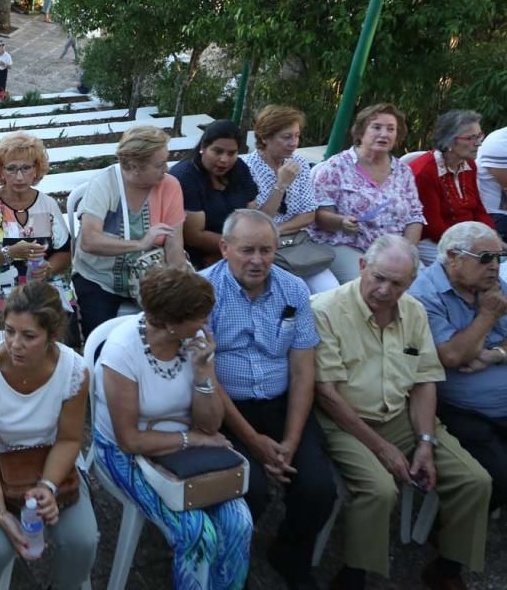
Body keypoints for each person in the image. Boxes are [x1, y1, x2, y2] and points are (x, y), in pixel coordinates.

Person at [312, 235, 492, 590]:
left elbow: (424, 381)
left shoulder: (413, 310)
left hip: (399, 415)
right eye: (378, 277)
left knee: (475, 480)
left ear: (410, 282)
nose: (384, 289)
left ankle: (447, 568)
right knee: (380, 490)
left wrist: (425, 441)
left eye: (397, 283)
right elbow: (329, 396)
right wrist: (382, 449)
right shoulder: (325, 309)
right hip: (346, 423)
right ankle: (352, 575)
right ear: (362, 266)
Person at [95, 268, 252, 590]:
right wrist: (191, 438)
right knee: (196, 532)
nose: (206, 325)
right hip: (126, 452)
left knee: (240, 523)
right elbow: (129, 440)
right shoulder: (122, 353)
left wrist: (202, 374)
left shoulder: (193, 341)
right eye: (200, 317)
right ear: (170, 323)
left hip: (187, 449)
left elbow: (211, 424)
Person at [204, 210, 336, 588]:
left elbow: (302, 370)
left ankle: (290, 553)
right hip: (228, 410)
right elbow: (206, 378)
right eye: (247, 250)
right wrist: (255, 442)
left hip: (281, 405)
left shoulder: (293, 289)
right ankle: (231, 564)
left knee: (316, 488)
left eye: (266, 250)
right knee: (250, 488)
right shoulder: (204, 293)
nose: (258, 260)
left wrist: (291, 440)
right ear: (225, 248)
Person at [0, 282, 97, 588]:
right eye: (9, 331)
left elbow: (69, 440)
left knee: (82, 541)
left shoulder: (74, 371)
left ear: (53, 335)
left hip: (50, 458)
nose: (15, 344)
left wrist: (48, 486)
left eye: (29, 336)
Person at [407, 221, 507, 514]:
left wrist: (497, 354)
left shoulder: (491, 283)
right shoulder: (424, 296)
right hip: (460, 409)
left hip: (497, 399)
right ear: (453, 256)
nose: (495, 266)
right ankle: (448, 537)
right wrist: (487, 316)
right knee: (497, 477)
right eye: (486, 258)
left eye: (499, 257)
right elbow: (451, 356)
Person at [72, 125, 188, 338]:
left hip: (150, 276)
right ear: (134, 166)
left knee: (174, 326)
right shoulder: (104, 184)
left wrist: (176, 287)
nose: (167, 169)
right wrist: (140, 244)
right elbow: (89, 240)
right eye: (160, 164)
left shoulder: (170, 185)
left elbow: (174, 245)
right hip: (100, 278)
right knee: (99, 340)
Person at [0, 132, 72, 332]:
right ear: (1, 172)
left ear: (36, 170)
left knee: (60, 331)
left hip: (41, 285)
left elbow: (63, 252)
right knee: (7, 334)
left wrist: (47, 268)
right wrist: (10, 253)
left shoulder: (45, 206)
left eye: (26, 168)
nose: (19, 176)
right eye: (11, 169)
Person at [310, 103, 425, 282]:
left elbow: (415, 217)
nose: (384, 134)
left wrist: (406, 249)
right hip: (348, 245)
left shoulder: (403, 171)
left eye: (390, 129)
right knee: (369, 284)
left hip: (392, 249)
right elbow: (320, 215)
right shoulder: (335, 167)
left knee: (422, 286)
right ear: (361, 132)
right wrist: (342, 221)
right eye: (377, 127)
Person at [240, 104, 338, 293]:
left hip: (295, 243)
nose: (294, 143)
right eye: (286, 137)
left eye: (296, 135)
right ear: (265, 138)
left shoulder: (299, 163)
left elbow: (309, 214)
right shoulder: (246, 168)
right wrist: (281, 185)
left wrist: (278, 230)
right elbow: (256, 220)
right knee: (292, 293)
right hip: (261, 247)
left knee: (330, 290)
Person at [169, 120, 258, 268]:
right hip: (198, 258)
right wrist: (237, 249)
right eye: (217, 151)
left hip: (236, 250)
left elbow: (251, 211)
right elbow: (194, 236)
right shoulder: (185, 177)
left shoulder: (240, 168)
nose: (224, 160)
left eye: (232, 153)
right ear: (203, 147)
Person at [411, 110, 494, 264]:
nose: (479, 143)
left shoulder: (468, 165)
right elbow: (433, 226)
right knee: (476, 270)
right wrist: (472, 249)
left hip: (467, 240)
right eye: (471, 138)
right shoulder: (425, 172)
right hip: (434, 242)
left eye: (479, 136)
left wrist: (492, 237)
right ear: (449, 141)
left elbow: (478, 210)